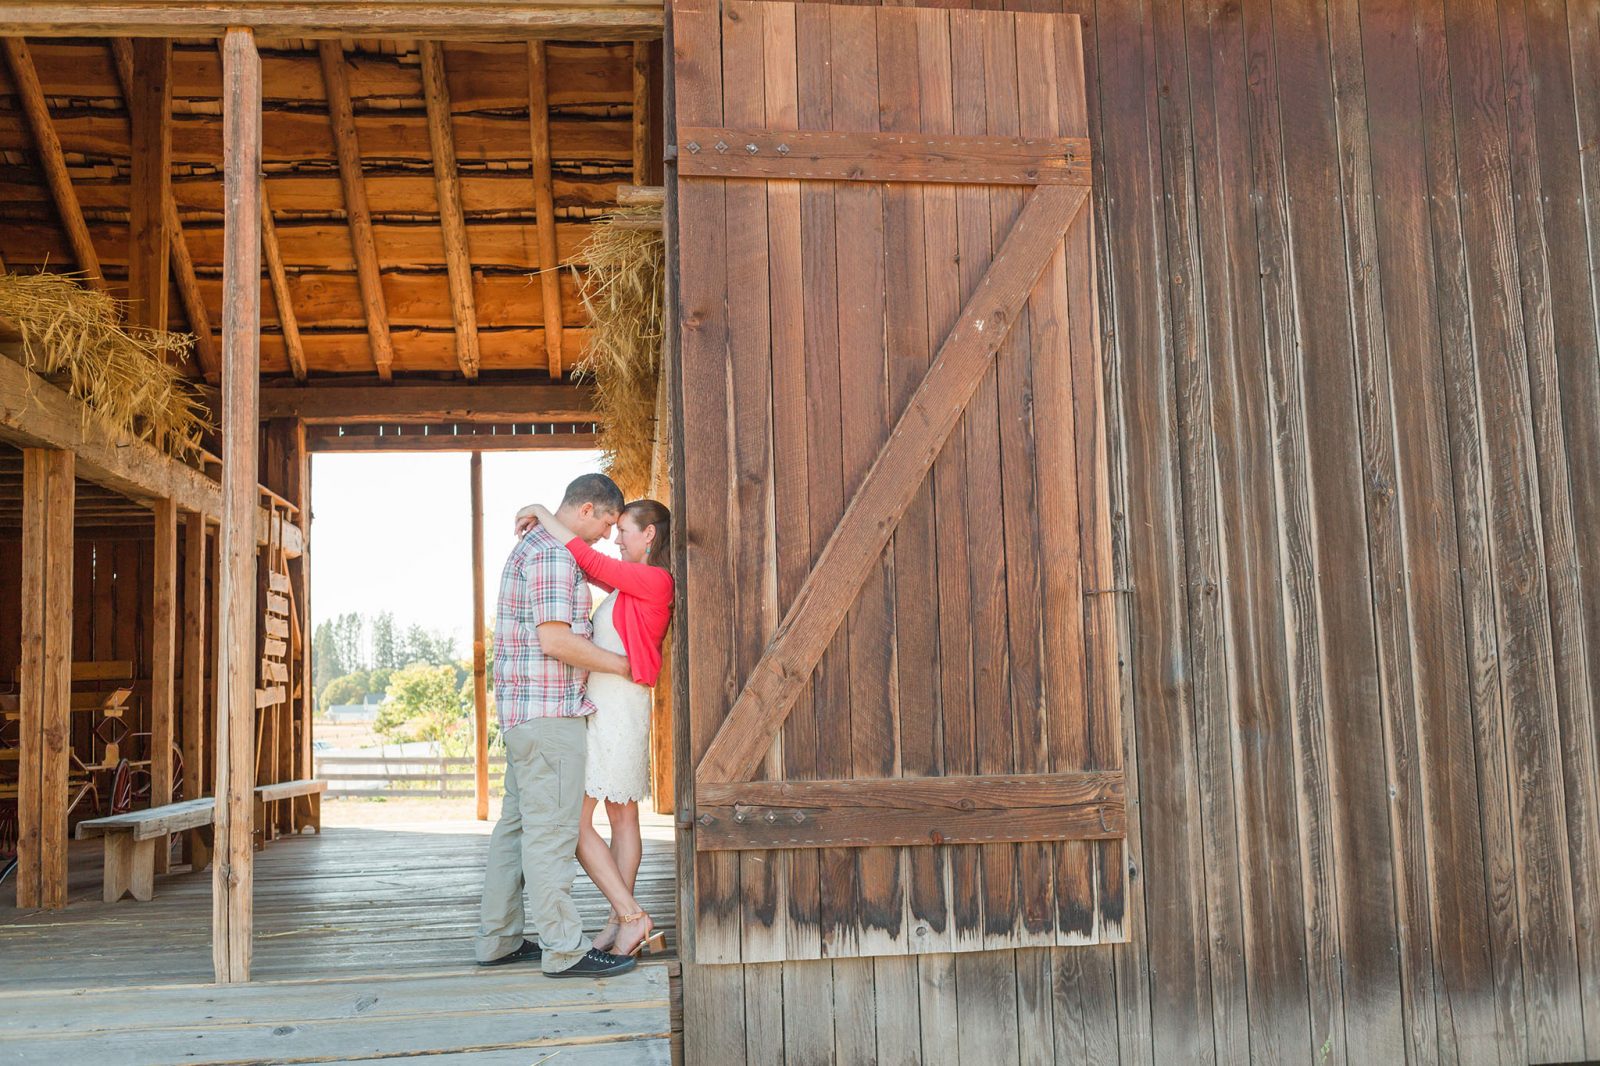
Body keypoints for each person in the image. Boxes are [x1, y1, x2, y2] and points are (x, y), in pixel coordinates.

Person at [474, 473, 639, 978]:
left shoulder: (540, 545)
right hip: (550, 717)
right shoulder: (552, 555)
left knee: (518, 828)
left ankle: (499, 940)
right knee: (552, 834)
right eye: (608, 523)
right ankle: (564, 949)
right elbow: (556, 641)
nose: (608, 535)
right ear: (587, 510)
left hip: (528, 717)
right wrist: (625, 665)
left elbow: (615, 580)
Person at [515, 497, 673, 958]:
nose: (615, 538)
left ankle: (630, 916)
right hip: (612, 703)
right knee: (620, 817)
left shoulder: (654, 579)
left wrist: (543, 512)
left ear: (649, 535)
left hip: (616, 706)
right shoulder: (633, 585)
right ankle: (622, 921)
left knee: (578, 820)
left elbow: (586, 558)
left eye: (623, 530)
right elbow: (591, 568)